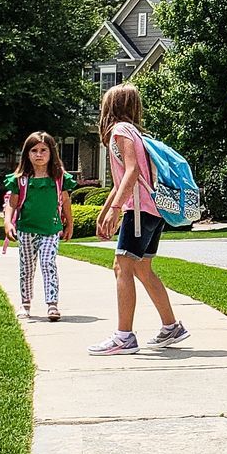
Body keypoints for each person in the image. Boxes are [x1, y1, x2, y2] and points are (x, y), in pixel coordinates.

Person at [87, 83, 190, 355]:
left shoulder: (120, 131)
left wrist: (117, 208)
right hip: (152, 210)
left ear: (111, 107)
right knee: (142, 269)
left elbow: (132, 172)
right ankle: (171, 327)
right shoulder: (134, 132)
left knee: (122, 267)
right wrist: (106, 207)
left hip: (139, 211)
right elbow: (124, 179)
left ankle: (124, 336)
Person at [3, 130, 74, 322]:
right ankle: (25, 304)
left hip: (51, 229)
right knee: (26, 267)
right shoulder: (21, 179)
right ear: (27, 153)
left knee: (47, 262)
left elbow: (66, 202)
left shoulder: (59, 178)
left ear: (51, 153)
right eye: (34, 150)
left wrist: (69, 224)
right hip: (26, 229)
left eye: (43, 150)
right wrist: (8, 222)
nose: (39, 154)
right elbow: (12, 202)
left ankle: (52, 304)